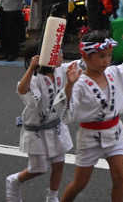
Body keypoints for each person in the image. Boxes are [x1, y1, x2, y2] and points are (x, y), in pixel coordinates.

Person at [62, 30, 123, 202]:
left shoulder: (113, 72)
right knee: (80, 183)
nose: (106, 60)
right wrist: (69, 86)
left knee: (120, 177)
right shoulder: (79, 82)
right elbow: (68, 111)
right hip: (90, 137)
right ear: (85, 56)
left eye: (109, 55)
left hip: (114, 133)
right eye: (101, 56)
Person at [5, 52, 77, 202]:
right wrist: (31, 68)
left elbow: (84, 63)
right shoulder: (34, 79)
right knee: (38, 168)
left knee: (59, 164)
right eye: (57, 53)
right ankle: (14, 180)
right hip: (36, 130)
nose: (61, 56)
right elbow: (22, 90)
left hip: (56, 126)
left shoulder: (61, 70)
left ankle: (52, 196)